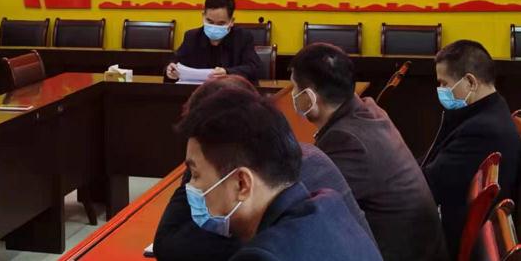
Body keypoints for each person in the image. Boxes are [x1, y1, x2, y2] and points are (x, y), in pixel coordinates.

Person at [153, 76, 371, 261]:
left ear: (242, 184)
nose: (190, 186)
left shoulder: (261, 256)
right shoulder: (329, 204)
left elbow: (168, 245)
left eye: (195, 175)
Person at [290, 43, 448, 261]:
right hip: (418, 247)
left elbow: (306, 207)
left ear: (309, 96)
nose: (293, 95)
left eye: (295, 88)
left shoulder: (346, 140)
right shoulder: (369, 110)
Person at [422, 40, 520, 259]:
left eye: (444, 83)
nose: (441, 91)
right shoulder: (491, 110)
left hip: (445, 244)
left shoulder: (482, 131)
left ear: (470, 82)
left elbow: (430, 186)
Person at [166, 0, 259, 83]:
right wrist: (170, 69)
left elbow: (253, 68)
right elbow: (176, 61)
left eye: (221, 23)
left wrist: (228, 72)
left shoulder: (243, 37)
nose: (214, 27)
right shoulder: (192, 37)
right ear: (203, 16)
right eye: (210, 21)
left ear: (231, 21)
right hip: (198, 90)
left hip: (231, 90)